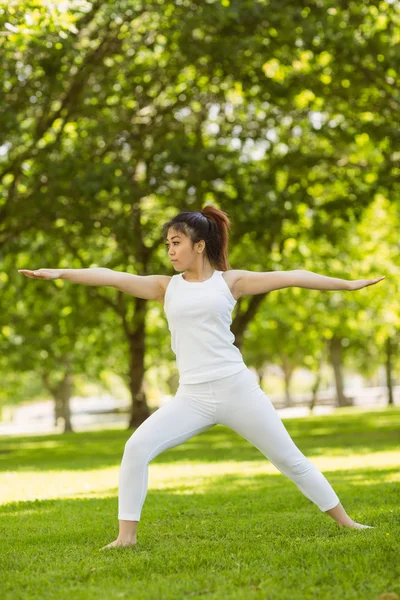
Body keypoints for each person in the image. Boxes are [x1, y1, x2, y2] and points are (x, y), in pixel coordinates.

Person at [19, 206, 385, 550]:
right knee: (136, 449)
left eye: (176, 243)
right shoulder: (166, 287)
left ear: (199, 245)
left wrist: (348, 284)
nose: (171, 251)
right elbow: (112, 277)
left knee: (290, 459)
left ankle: (346, 523)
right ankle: (125, 537)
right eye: (167, 245)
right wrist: (61, 274)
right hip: (192, 397)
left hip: (237, 390)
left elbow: (293, 277)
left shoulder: (231, 282)